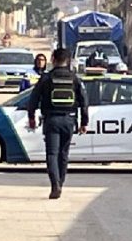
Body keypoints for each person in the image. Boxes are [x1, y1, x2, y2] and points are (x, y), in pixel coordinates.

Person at [27, 48, 89, 199]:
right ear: (68, 60)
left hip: (51, 120)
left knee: (52, 154)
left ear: (53, 59)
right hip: (69, 120)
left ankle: (55, 184)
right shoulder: (75, 79)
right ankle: (60, 182)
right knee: (63, 154)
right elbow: (84, 102)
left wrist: (31, 117)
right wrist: (84, 122)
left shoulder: (46, 78)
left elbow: (33, 99)